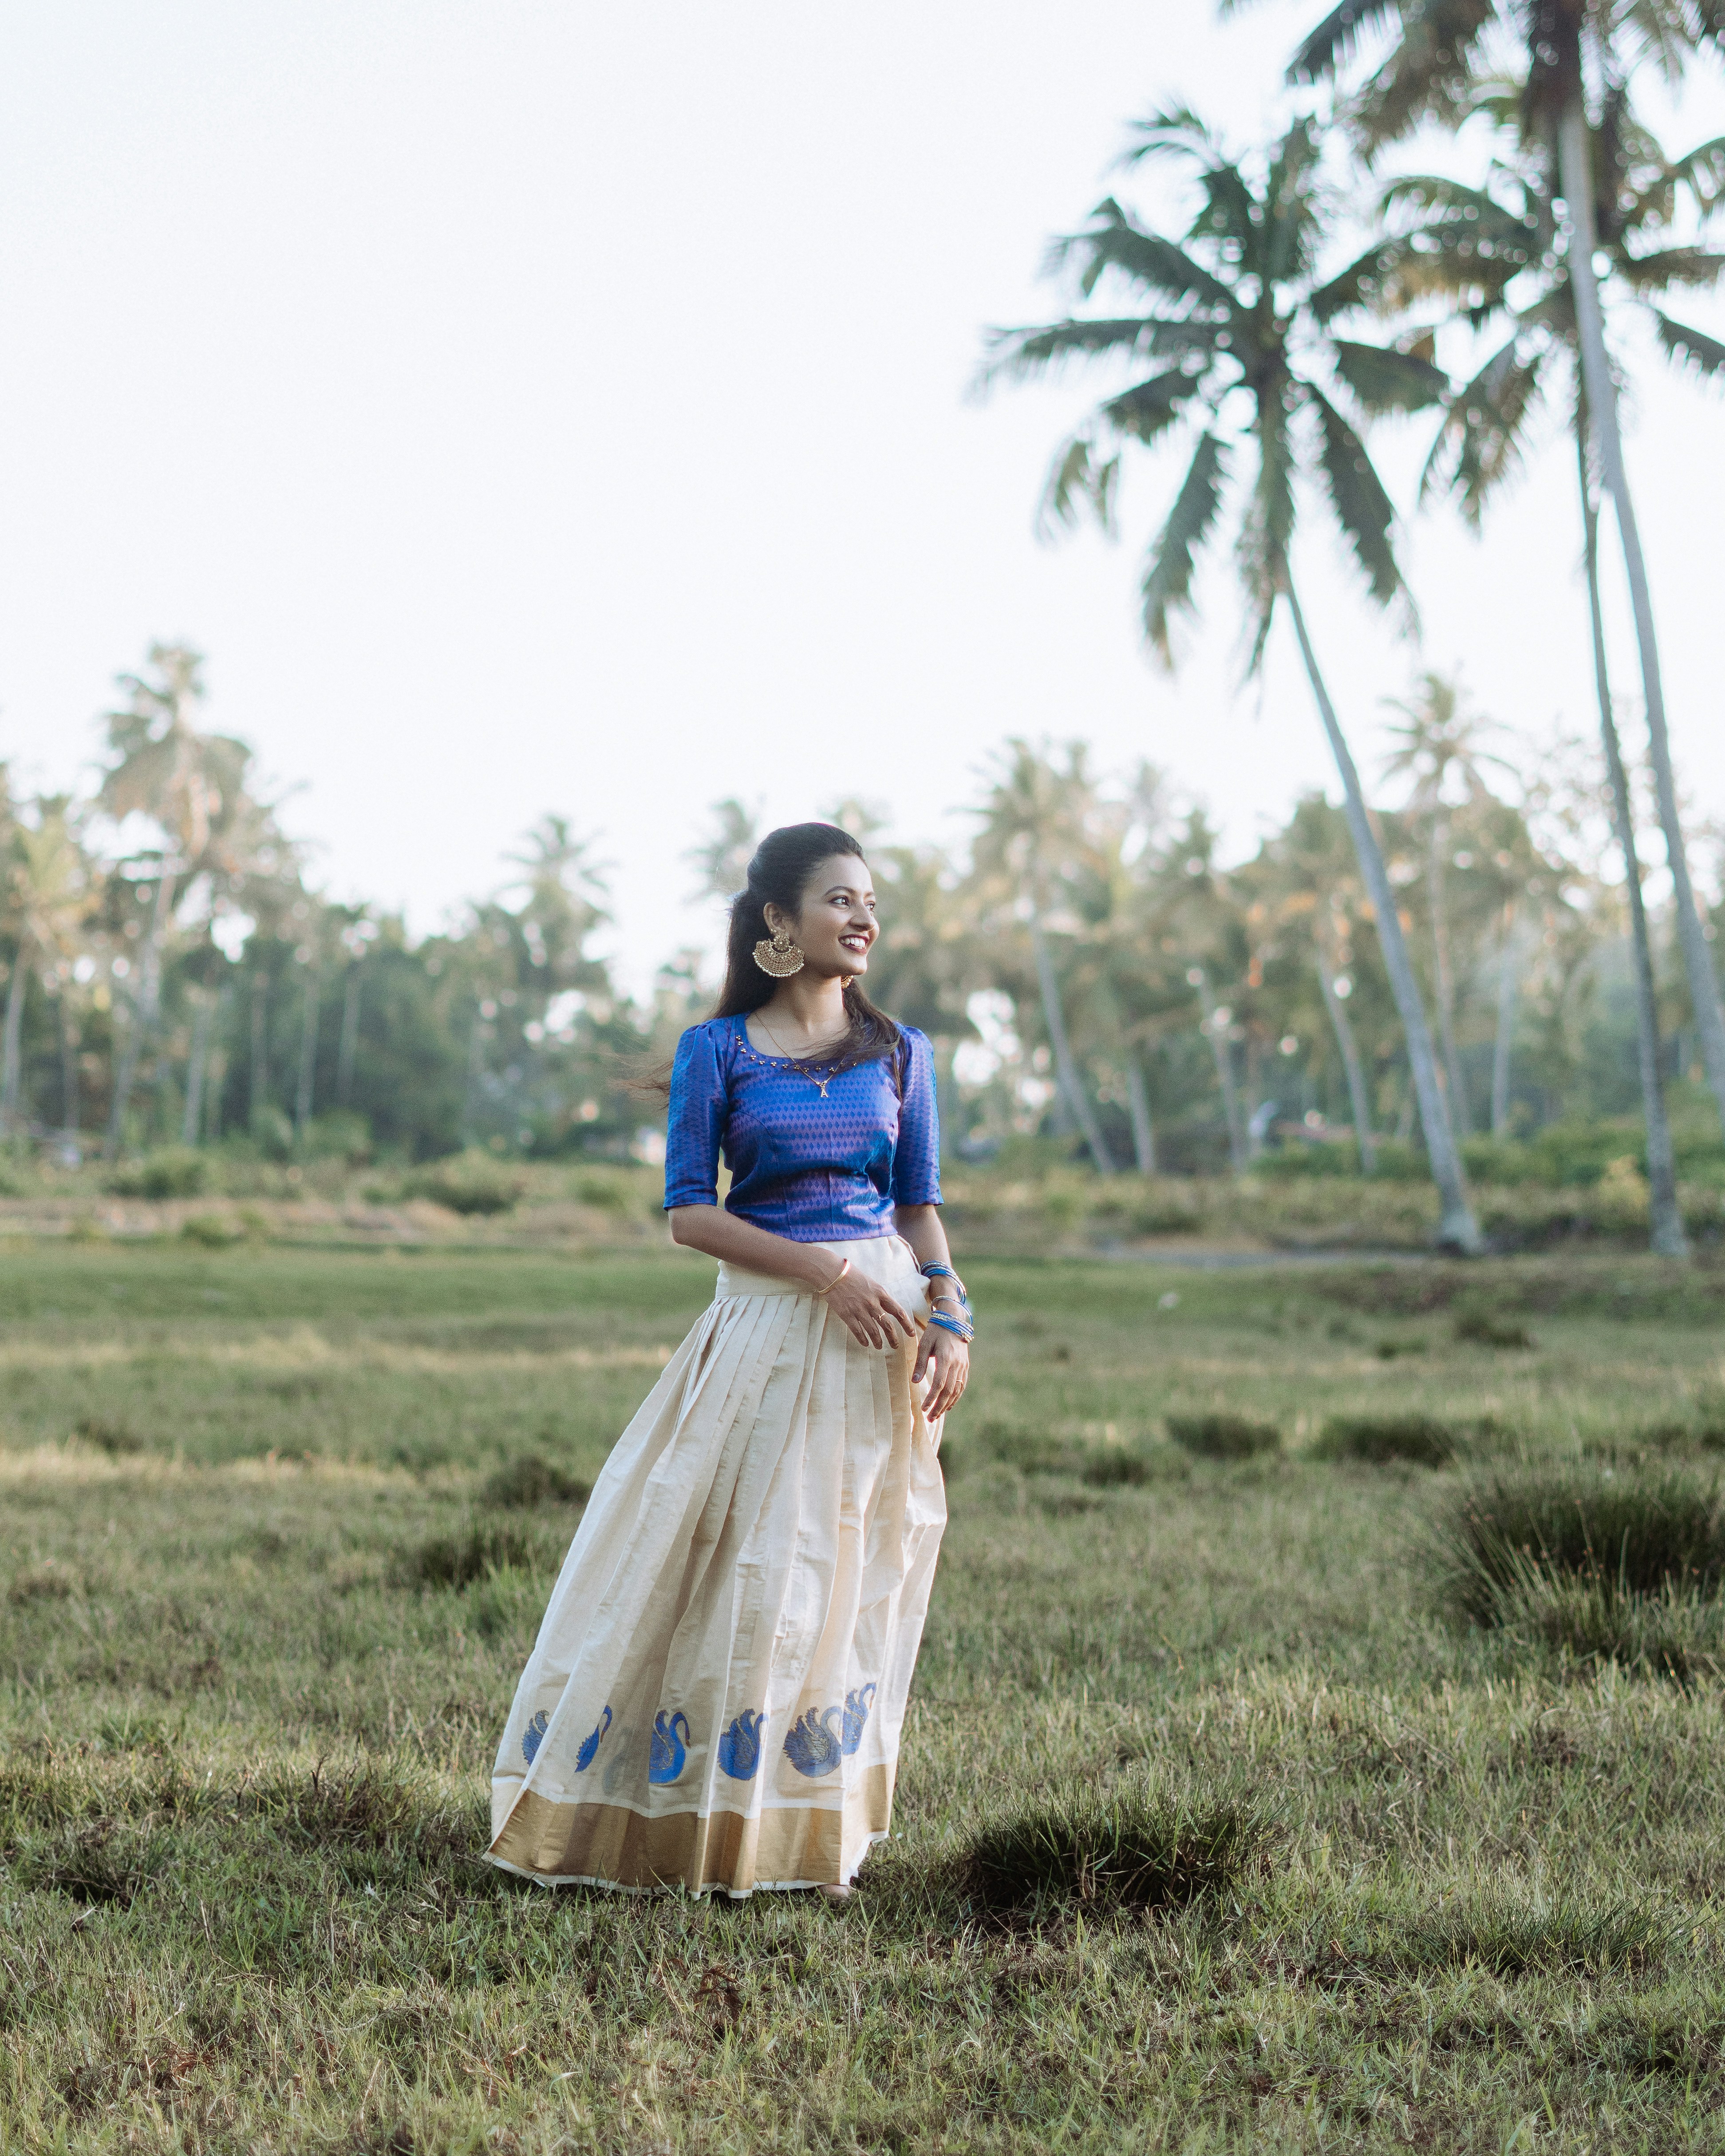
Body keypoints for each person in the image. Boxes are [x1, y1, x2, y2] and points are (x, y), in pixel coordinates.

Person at [486, 821, 971, 1901]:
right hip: (763, 1328)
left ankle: (808, 1836)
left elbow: (919, 1206)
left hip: (882, 1348)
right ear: (778, 923)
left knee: (846, 1572)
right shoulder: (721, 1052)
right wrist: (825, 1278)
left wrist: (953, 1315)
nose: (863, 919)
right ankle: (683, 1828)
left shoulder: (902, 1052)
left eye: (870, 902)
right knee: (736, 1566)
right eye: (840, 900)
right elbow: (690, 1217)